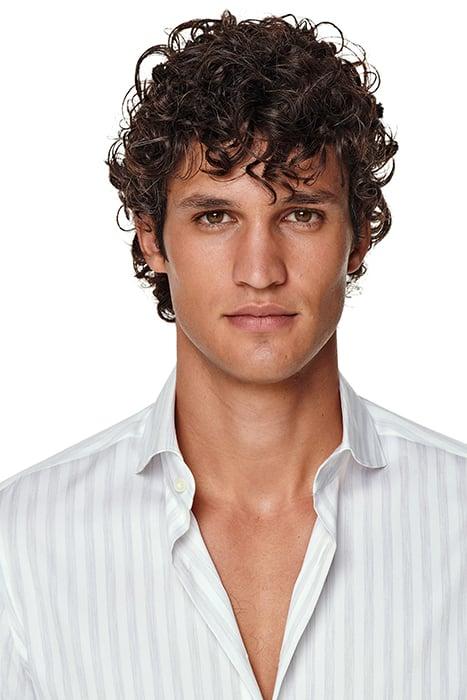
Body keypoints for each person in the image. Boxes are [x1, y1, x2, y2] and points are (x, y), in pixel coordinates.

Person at [1, 10, 466, 700]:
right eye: (215, 216)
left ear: (358, 236)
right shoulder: (22, 544)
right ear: (153, 239)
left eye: (301, 214)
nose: (259, 270)